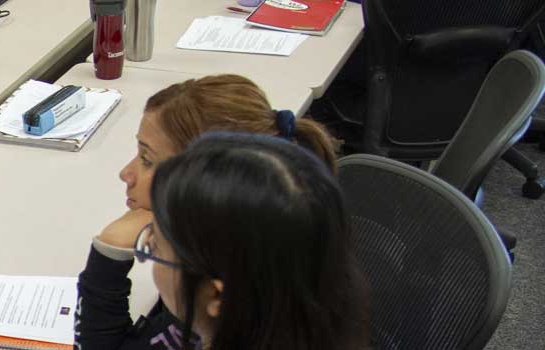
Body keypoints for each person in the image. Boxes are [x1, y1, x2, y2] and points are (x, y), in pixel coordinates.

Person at [75, 75, 353, 349]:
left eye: (155, 249)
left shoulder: (210, 291)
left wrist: (107, 258)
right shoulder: (266, 258)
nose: (126, 173)